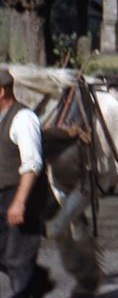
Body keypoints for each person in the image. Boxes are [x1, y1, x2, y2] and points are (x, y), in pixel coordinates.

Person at [0, 68, 53, 297]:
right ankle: (39, 283)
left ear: (1, 92)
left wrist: (19, 203)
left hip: (22, 195)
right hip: (2, 196)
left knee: (17, 259)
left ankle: (30, 287)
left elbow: (32, 165)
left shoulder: (23, 118)